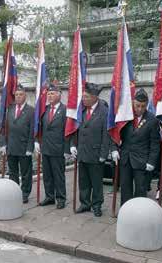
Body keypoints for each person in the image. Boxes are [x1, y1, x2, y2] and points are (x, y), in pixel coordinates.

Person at [111, 88, 160, 205]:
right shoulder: (126, 116)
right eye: (137, 105)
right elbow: (115, 133)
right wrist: (113, 149)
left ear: (146, 105)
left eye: (143, 106)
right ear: (133, 103)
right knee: (125, 189)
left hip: (142, 160)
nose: (140, 109)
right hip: (125, 158)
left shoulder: (152, 120)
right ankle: (125, 212)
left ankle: (139, 214)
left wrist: (152, 162)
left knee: (140, 189)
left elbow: (155, 143)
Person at [70, 83, 110, 217]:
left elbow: (106, 134)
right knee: (83, 180)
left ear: (94, 97)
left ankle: (97, 205)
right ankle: (85, 203)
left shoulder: (104, 111)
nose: (83, 99)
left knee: (96, 182)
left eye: (86, 97)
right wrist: (73, 145)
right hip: (82, 151)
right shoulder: (81, 110)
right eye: (83, 97)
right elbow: (75, 129)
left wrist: (104, 154)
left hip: (96, 153)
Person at [35, 83, 69, 209]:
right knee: (47, 175)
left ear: (59, 95)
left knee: (58, 175)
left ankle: (60, 198)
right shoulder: (45, 110)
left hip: (58, 149)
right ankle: (49, 197)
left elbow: (67, 131)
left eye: (52, 93)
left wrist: (67, 149)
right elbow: (40, 128)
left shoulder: (65, 110)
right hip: (46, 148)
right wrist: (37, 142)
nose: (49, 96)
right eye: (48, 94)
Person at [0, 84, 34, 204]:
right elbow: (4, 127)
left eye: (21, 94)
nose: (18, 97)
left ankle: (24, 193)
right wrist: (3, 143)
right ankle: (14, 192)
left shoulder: (31, 111)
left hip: (24, 147)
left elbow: (32, 131)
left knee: (26, 173)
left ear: (25, 96)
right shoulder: (10, 109)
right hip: (11, 146)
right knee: (13, 172)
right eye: (16, 94)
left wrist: (30, 147)